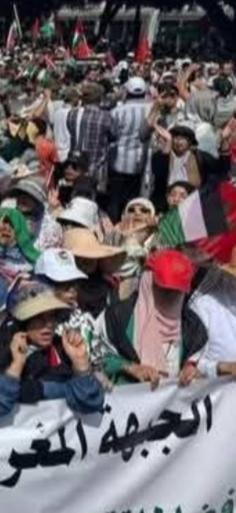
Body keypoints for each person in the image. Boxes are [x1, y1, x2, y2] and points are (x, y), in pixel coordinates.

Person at [0, 292, 104, 418]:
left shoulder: (63, 347)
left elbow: (92, 403)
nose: (49, 324)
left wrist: (81, 365)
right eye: (39, 317)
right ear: (23, 320)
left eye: (52, 316)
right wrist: (16, 366)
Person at [95, 250, 207, 388]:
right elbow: (93, 354)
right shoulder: (116, 317)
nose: (170, 296)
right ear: (148, 282)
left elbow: (204, 363)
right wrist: (129, 367)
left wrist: (190, 368)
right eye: (164, 289)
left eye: (176, 291)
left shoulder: (193, 327)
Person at [108, 77, 151, 221]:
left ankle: (114, 224)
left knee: (114, 199)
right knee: (133, 199)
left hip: (119, 161)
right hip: (140, 162)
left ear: (127, 92)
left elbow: (112, 134)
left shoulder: (117, 111)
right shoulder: (150, 109)